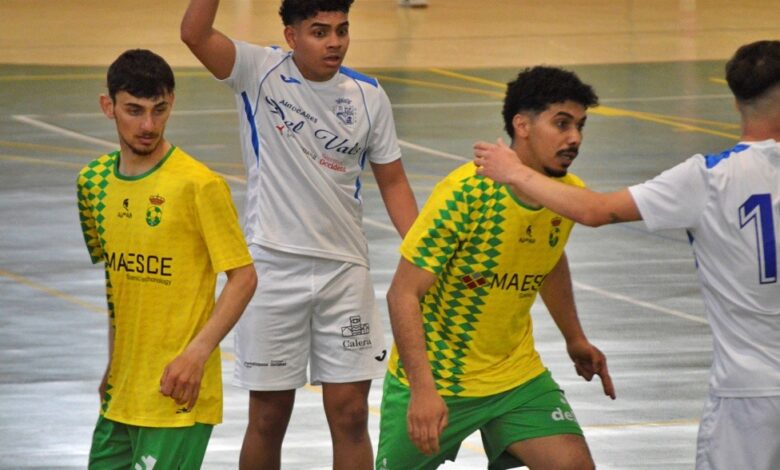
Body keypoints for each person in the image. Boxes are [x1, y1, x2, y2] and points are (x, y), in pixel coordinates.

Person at [473, 40, 780, 470]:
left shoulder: (709, 177)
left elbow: (596, 211)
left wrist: (515, 172)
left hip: (749, 394)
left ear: (735, 101)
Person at [180, 1, 418, 468]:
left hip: (344, 272)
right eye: (319, 32)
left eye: (342, 30)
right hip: (271, 270)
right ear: (291, 36)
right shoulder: (257, 71)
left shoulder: (369, 96)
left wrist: (424, 250)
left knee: (351, 414)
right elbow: (194, 33)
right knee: (268, 417)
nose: (335, 43)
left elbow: (393, 182)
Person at [377, 66, 615, 470]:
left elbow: (550, 259)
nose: (574, 137)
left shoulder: (565, 196)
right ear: (522, 126)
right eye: (562, 124)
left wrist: (574, 337)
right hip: (440, 379)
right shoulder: (466, 193)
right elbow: (402, 294)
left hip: (515, 378)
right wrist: (423, 390)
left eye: (580, 126)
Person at [76, 49, 257, 469]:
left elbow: (244, 278)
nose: (148, 126)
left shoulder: (199, 185)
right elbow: (118, 287)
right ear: (108, 106)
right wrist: (112, 365)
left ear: (171, 103)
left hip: (177, 394)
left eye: (159, 110)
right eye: (134, 110)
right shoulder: (93, 183)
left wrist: (197, 355)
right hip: (122, 393)